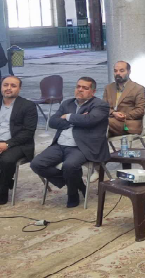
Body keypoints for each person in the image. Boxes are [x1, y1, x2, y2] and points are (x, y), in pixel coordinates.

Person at [31, 77, 110, 208]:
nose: (80, 90)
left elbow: (90, 120)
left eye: (85, 88)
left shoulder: (100, 105)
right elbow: (52, 122)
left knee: (70, 166)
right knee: (37, 164)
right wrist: (78, 120)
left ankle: (72, 194)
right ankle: (77, 183)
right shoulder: (67, 103)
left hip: (82, 146)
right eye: (78, 86)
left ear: (93, 92)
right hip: (60, 145)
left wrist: (68, 116)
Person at [0, 76, 37, 205]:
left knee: (6, 160)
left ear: (19, 89)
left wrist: (7, 144)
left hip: (19, 143)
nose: (8, 88)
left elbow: (28, 132)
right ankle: (6, 180)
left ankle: (2, 193)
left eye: (13, 86)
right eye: (5, 85)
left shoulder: (28, 106)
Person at [102, 61, 145, 137]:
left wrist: (124, 115)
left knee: (100, 123)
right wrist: (113, 113)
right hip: (111, 122)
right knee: (92, 125)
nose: (118, 73)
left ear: (129, 72)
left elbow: (140, 111)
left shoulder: (138, 88)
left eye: (121, 71)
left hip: (128, 124)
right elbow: (103, 107)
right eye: (115, 71)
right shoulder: (108, 88)